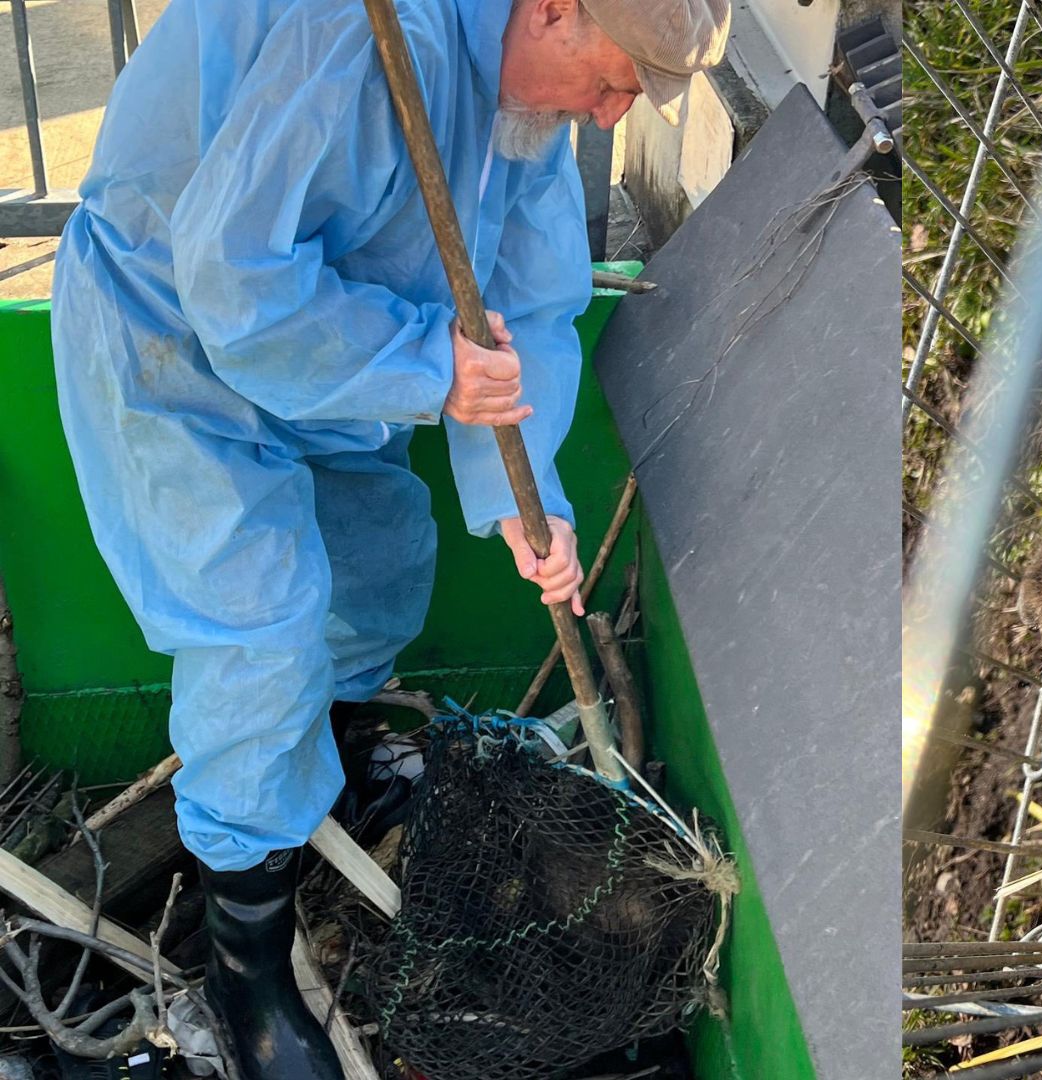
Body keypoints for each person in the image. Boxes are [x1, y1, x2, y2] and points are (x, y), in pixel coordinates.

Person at [48, 0, 729, 1074]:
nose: (607, 120)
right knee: (261, 623)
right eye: (611, 84)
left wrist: (523, 494)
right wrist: (428, 369)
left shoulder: (524, 105)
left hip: (334, 347)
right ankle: (246, 958)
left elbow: (534, 310)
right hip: (175, 337)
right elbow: (236, 280)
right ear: (554, 8)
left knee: (379, 567)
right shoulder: (373, 38)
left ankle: (336, 756)